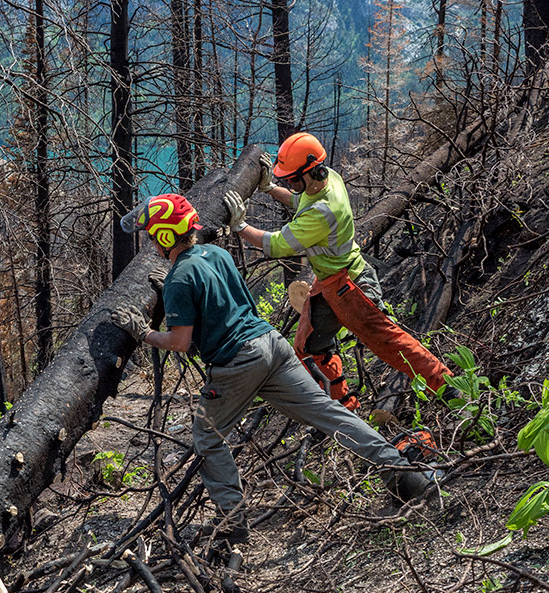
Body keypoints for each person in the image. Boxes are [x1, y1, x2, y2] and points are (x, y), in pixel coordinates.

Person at [112, 193, 436, 543]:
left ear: (162, 236)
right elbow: (232, 305)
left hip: (237, 363)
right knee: (328, 413)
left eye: (151, 234)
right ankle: (403, 475)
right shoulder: (217, 255)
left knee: (207, 438)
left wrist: (143, 333)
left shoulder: (178, 277)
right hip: (272, 345)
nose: (149, 241)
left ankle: (232, 525)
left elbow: (179, 342)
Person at [224, 132, 454, 410]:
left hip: (351, 287)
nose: (290, 184)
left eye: (293, 179)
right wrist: (270, 188)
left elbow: (278, 244)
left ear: (310, 172)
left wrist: (240, 226)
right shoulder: (326, 178)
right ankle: (343, 408)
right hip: (330, 284)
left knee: (391, 344)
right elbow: (300, 201)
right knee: (309, 348)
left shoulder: (323, 210)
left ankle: (449, 387)